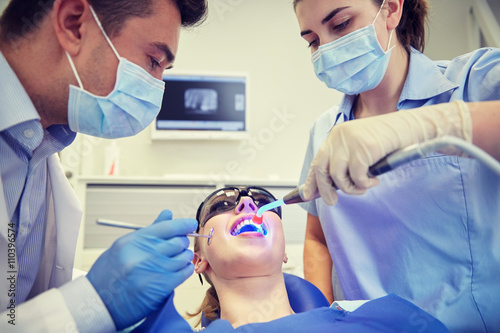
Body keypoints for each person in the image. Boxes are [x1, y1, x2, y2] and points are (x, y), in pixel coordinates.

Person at [293, 0, 500, 331]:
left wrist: (437, 124)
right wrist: (321, 321)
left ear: (391, 9)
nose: (327, 48)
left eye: (342, 24)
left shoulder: (474, 81)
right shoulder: (325, 133)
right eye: (313, 41)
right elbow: (317, 239)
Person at [0, 0, 207, 332]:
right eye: (153, 61)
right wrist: (94, 302)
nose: (156, 90)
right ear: (73, 24)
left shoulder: (40, 148)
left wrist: (104, 293)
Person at [131, 186, 449, 332]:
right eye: (222, 205)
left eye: (262, 202)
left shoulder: (377, 316)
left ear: (284, 251)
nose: (246, 206)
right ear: (199, 259)